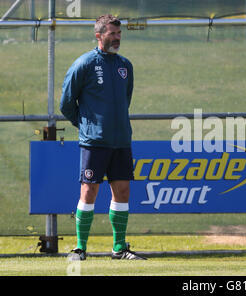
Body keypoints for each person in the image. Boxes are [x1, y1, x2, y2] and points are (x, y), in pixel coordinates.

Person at [60, 14, 145, 260]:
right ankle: (80, 248)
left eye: (119, 34)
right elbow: (66, 103)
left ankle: (119, 248)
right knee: (89, 191)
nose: (117, 38)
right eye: (112, 34)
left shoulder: (125, 66)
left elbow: (125, 100)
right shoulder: (84, 64)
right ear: (99, 35)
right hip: (94, 142)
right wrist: (86, 125)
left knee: (123, 190)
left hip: (120, 141)